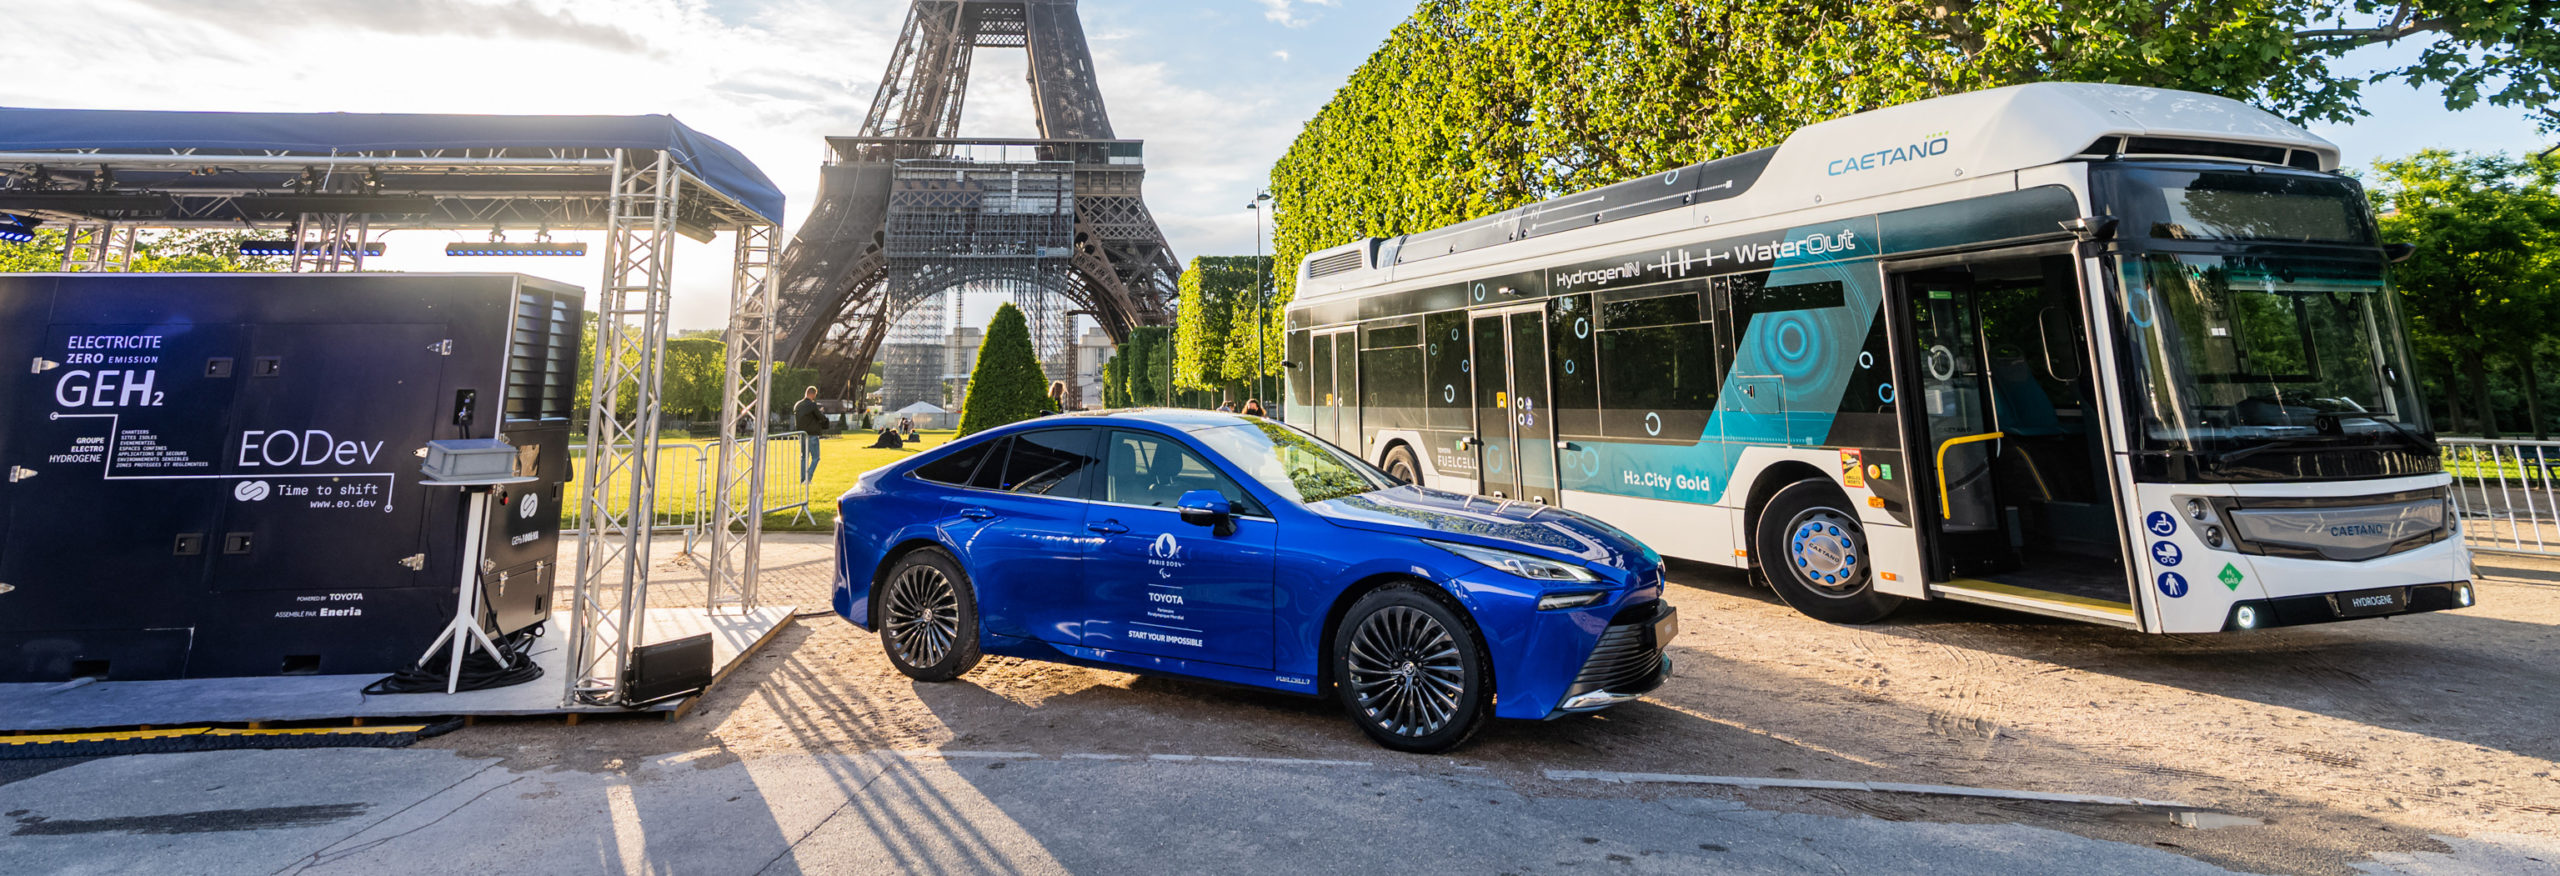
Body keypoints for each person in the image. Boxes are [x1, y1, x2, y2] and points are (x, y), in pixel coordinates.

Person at [792, 386, 828, 483]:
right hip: (811, 434)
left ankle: (803, 478)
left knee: (804, 457)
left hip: (801, 434)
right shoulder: (812, 405)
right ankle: (808, 478)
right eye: (814, 396)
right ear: (812, 394)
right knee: (816, 457)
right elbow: (820, 417)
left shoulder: (797, 405)